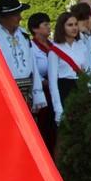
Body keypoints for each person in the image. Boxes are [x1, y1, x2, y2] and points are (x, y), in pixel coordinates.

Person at [0, 0, 46, 113]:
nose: (20, 18)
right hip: (5, 93)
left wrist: (37, 92)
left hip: (27, 93)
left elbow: (32, 63)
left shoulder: (23, 34)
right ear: (4, 17)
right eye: (16, 15)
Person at [47, 12, 91, 126]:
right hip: (65, 90)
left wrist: (90, 93)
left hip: (81, 89)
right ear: (62, 27)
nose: (74, 28)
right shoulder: (55, 49)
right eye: (70, 25)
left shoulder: (81, 46)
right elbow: (53, 83)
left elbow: (87, 71)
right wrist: (58, 109)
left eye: (76, 24)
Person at [28, 12, 57, 155]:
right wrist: (44, 82)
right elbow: (32, 69)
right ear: (35, 29)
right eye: (45, 24)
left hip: (57, 89)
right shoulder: (31, 47)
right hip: (43, 91)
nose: (49, 27)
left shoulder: (54, 45)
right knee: (46, 127)